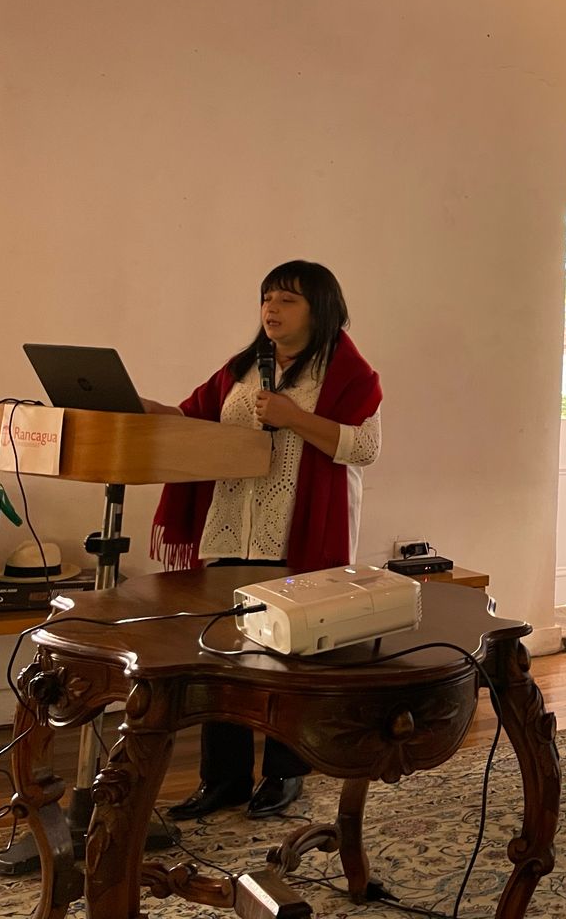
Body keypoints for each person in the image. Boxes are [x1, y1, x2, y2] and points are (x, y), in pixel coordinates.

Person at [143, 260, 382, 820]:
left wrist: (293, 417)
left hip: (298, 535)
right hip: (231, 525)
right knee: (222, 655)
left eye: (287, 299)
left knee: (288, 660)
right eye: (267, 297)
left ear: (320, 309)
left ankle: (285, 772)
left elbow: (364, 448)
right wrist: (140, 409)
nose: (271, 308)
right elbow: (193, 419)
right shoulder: (242, 368)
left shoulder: (350, 375)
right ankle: (223, 779)